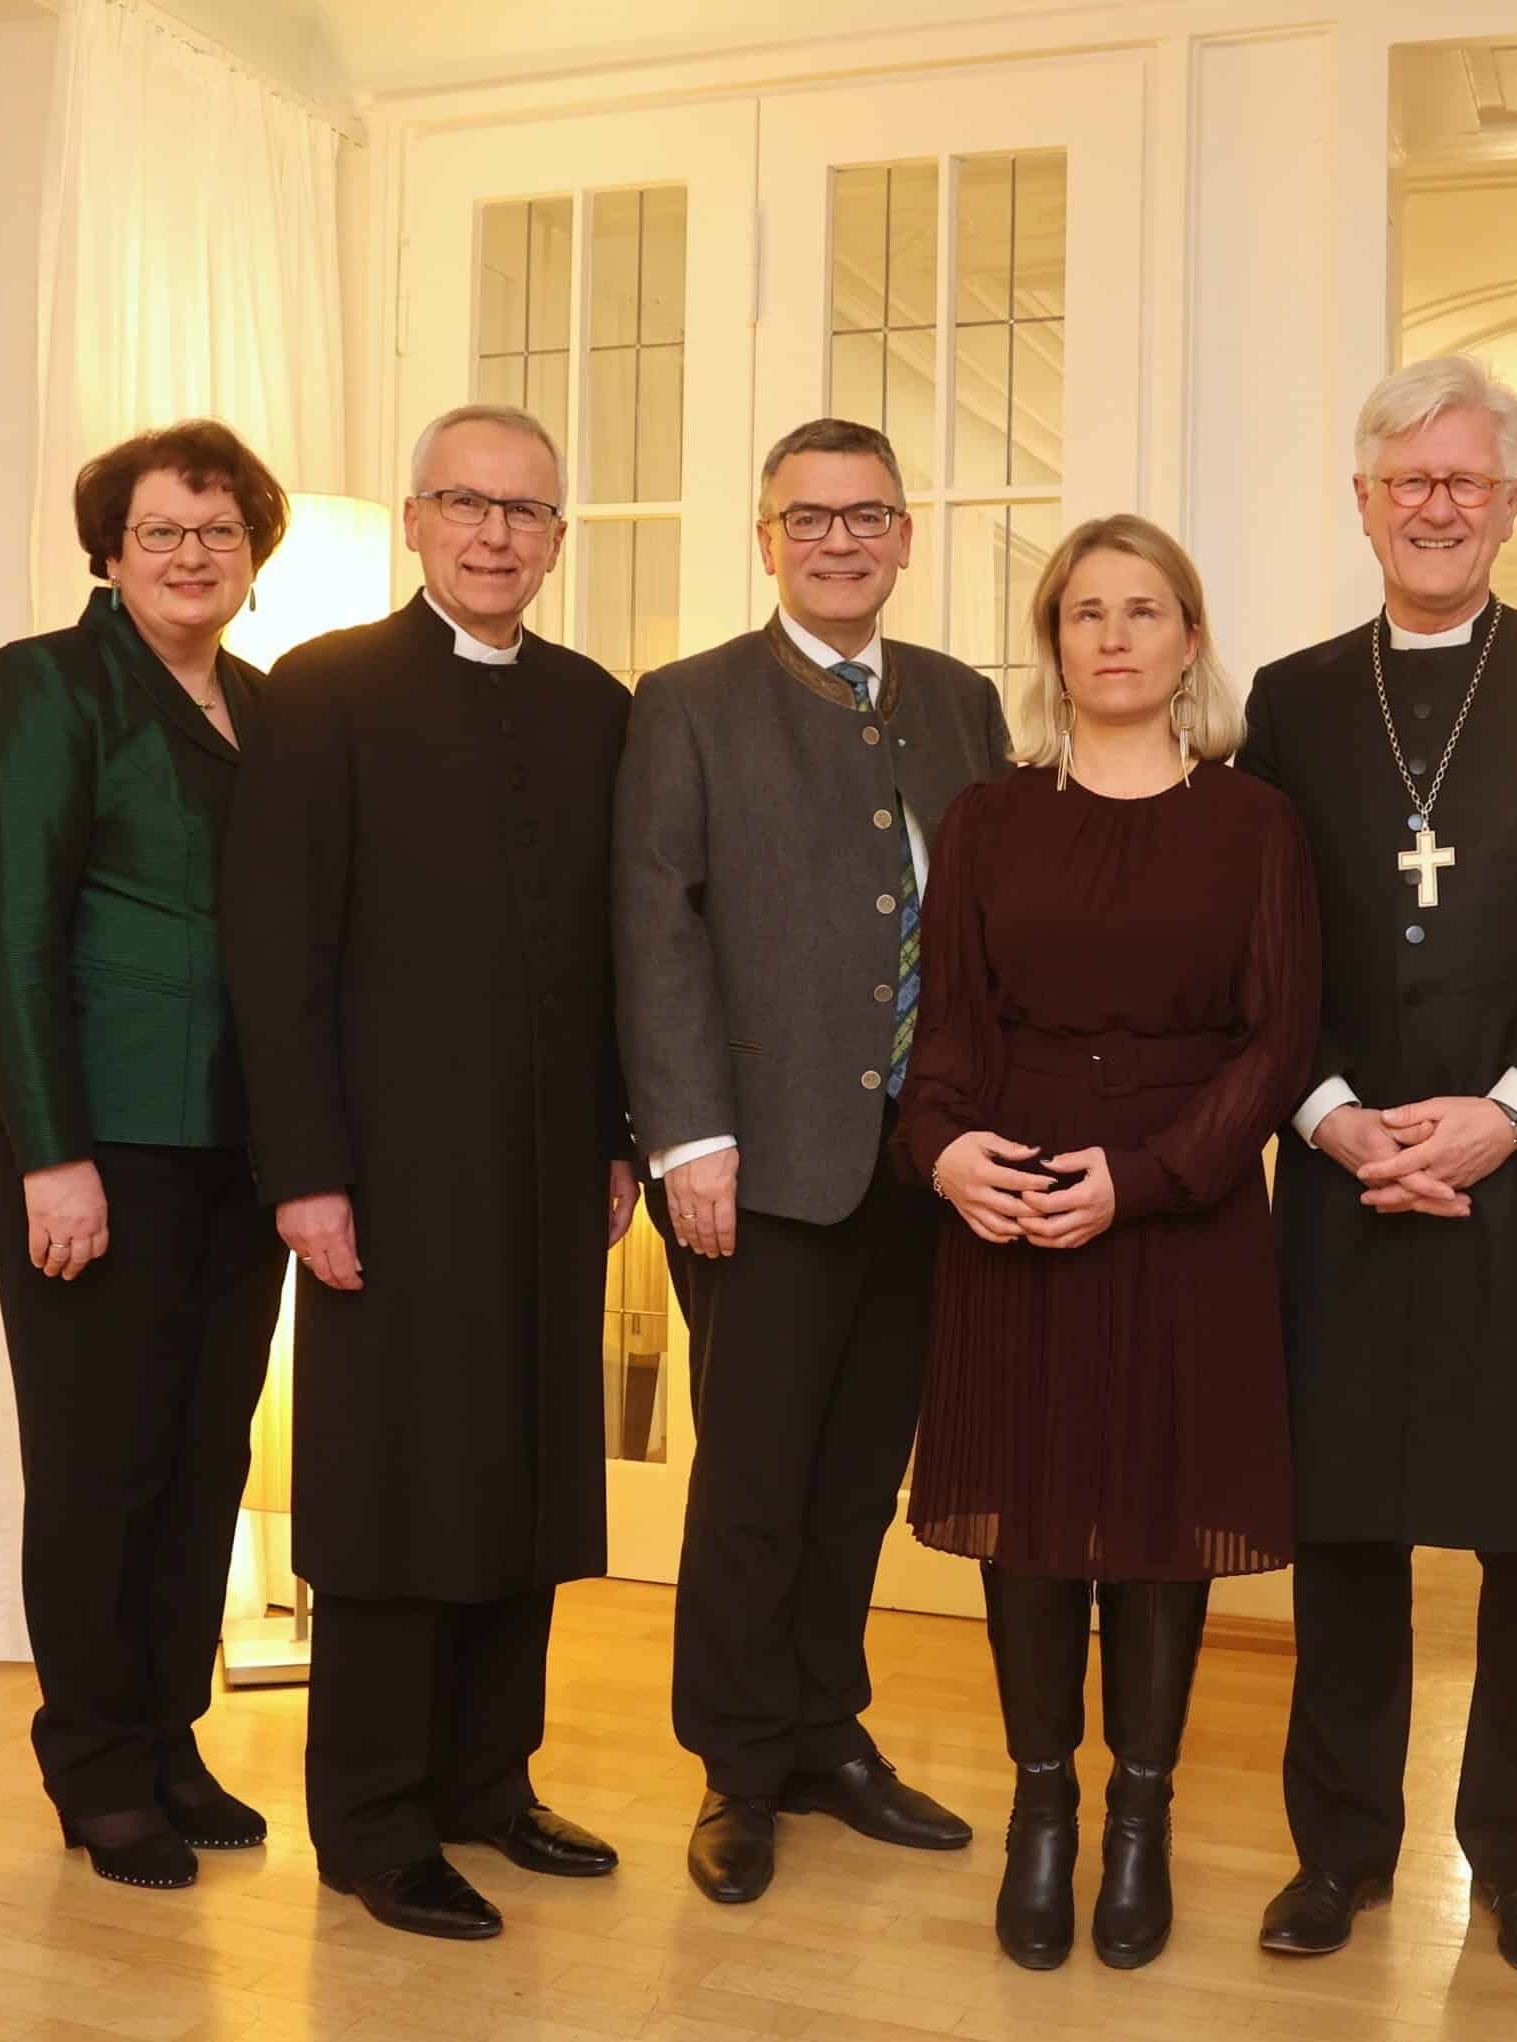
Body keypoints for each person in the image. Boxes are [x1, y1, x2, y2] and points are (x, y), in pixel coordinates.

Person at [1239, 355, 1517, 1979]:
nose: (1436, 507)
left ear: (1509, 505)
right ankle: (1339, 1851)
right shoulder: (1292, 697)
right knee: (1347, 1536)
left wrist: (1510, 1110)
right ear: (1363, 504)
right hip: (1349, 1168)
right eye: (1408, 481)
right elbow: (1260, 934)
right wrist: (1330, 1110)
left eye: (1465, 483)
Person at [221, 404, 635, 1942]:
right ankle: (374, 1822)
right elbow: (276, 953)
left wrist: (617, 1134)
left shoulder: (596, 706)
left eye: (525, 511)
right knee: (396, 1487)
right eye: (466, 502)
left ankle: (486, 1779)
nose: (493, 534)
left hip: (548, 1168)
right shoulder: (322, 690)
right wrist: (305, 1173)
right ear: (416, 520)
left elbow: (615, 952)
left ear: (557, 538)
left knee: (521, 1474)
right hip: (383, 1173)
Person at [895, 515, 1321, 1971]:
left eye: (1146, 610)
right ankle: (1042, 1809)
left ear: (1191, 641)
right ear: (1054, 642)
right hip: (1011, 1201)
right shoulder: (987, 817)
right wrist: (945, 1154)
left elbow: (1277, 1042)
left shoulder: (1254, 823)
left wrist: (1141, 1181)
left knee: (1155, 1526)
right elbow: (947, 1033)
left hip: (1179, 1209)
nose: (1117, 635)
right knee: (1025, 1520)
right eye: (1088, 611)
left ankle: (1140, 1814)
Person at [614, 418, 1007, 1906]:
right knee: (756, 1482)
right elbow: (654, 924)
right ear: (767, 537)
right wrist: (688, 1135)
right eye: (810, 518)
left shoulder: (962, 701)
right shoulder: (690, 701)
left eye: (867, 516)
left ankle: (827, 1731)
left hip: (922, 1166)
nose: (840, 542)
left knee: (857, 1479)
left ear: (904, 535)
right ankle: (739, 1762)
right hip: (757, 1164)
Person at [0, 421, 292, 1891]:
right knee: (101, 1463)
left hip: (239, 1145)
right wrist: (53, 1154)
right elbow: (6, 928)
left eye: (220, 532)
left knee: (203, 1456)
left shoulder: (267, 705)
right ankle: (96, 1767)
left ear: (252, 553)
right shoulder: (48, 682)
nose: (191, 555)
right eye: (162, 531)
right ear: (110, 550)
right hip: (92, 1142)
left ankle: (168, 1735)